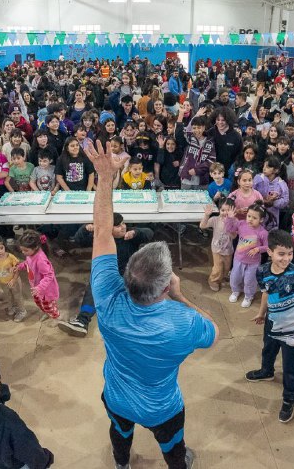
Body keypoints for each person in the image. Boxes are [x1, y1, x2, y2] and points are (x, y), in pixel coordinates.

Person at [85, 139, 217, 469]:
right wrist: (180, 296)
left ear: (128, 274)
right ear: (165, 285)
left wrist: (104, 176)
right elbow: (213, 331)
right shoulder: (182, 321)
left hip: (116, 397)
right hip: (162, 408)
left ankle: (121, 464)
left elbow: (102, 230)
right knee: (174, 448)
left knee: (119, 432)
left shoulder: (107, 297)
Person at [246, 230, 294, 423]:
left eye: (290, 253)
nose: (286, 258)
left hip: (293, 332)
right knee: (268, 350)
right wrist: (261, 313)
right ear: (270, 252)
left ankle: (289, 397)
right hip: (272, 324)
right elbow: (266, 293)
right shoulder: (262, 272)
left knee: (291, 368)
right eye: (281, 254)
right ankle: (266, 371)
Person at [57, 212, 156, 337]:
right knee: (93, 286)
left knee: (138, 294)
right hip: (106, 274)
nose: (123, 227)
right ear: (108, 228)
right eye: (118, 226)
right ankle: (82, 321)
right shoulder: (100, 237)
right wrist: (85, 228)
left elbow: (149, 232)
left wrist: (136, 233)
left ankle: (141, 324)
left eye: (123, 223)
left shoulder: (130, 234)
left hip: (127, 275)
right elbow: (78, 240)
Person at [225, 202, 269, 307]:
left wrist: (258, 249)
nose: (250, 219)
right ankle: (235, 291)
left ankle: (248, 296)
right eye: (249, 216)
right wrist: (230, 218)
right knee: (235, 276)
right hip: (238, 259)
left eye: (254, 218)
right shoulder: (241, 224)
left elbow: (268, 247)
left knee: (250, 280)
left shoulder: (263, 232)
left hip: (253, 262)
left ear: (261, 220)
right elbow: (229, 229)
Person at [17, 230, 60, 320]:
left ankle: (55, 317)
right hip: (36, 288)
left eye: (25, 250)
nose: (23, 253)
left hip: (45, 290)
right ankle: (47, 313)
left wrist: (39, 288)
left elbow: (49, 275)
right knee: (39, 304)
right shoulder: (30, 254)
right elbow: (28, 262)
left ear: (36, 247)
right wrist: (20, 266)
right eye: (22, 250)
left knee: (49, 306)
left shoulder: (41, 260)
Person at [0, 235, 26, 323]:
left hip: (14, 281)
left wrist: (13, 280)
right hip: (3, 282)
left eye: (1, 248)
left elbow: (17, 270)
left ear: (5, 247)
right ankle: (12, 307)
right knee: (8, 296)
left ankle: (22, 311)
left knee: (17, 296)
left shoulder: (11, 257)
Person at [201, 199, 235, 291]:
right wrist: (207, 215)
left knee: (227, 267)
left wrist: (230, 222)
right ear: (219, 210)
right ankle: (213, 280)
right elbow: (202, 226)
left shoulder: (235, 221)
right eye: (223, 210)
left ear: (234, 211)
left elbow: (234, 236)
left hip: (228, 249)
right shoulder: (215, 220)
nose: (225, 213)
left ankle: (221, 278)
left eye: (228, 211)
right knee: (217, 267)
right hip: (217, 249)